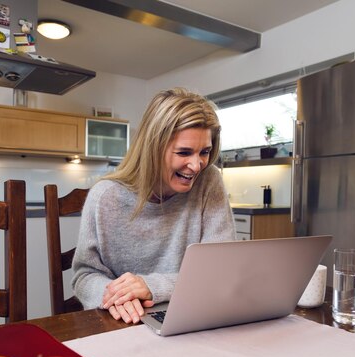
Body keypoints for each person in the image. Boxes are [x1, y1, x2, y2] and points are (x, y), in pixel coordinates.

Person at [72, 87, 236, 323]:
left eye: (205, 152)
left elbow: (222, 270)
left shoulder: (209, 181)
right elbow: (85, 276)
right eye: (184, 152)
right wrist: (117, 296)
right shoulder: (105, 197)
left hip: (195, 315)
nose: (197, 165)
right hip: (125, 322)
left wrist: (151, 286)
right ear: (153, 148)